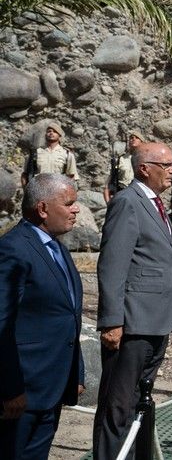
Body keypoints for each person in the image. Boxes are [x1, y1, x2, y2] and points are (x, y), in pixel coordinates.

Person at [93, 142, 172, 460]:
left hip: (156, 320)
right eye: (168, 165)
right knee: (118, 407)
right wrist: (112, 320)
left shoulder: (155, 204)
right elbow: (113, 264)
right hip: (131, 323)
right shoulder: (128, 202)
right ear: (145, 168)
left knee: (139, 403)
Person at [0, 174, 84, 460]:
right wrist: (10, 389)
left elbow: (68, 314)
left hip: (52, 387)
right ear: (43, 208)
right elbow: (2, 324)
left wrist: (76, 371)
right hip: (22, 392)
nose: (77, 209)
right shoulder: (13, 249)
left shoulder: (56, 247)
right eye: (69, 203)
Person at [104, 131, 143, 204]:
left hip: (140, 197)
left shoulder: (146, 159)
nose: (133, 139)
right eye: (131, 138)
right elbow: (108, 185)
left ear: (142, 142)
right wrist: (109, 204)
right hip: (123, 195)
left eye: (137, 138)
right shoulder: (121, 159)